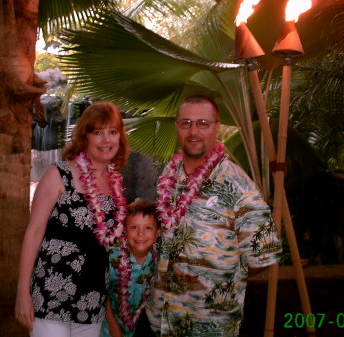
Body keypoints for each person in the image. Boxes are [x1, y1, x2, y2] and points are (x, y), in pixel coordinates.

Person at [145, 94, 282, 336]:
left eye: (202, 124)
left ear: (217, 127)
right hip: (161, 317)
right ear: (177, 127)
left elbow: (262, 256)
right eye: (185, 123)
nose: (193, 131)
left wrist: (219, 278)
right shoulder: (169, 174)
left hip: (209, 324)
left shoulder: (237, 183)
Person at [15, 102, 130, 337]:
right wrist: (22, 292)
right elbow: (34, 232)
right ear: (84, 137)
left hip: (92, 299)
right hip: (51, 294)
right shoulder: (59, 174)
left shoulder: (116, 183)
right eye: (97, 133)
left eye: (112, 132)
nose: (106, 140)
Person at [101, 199, 161, 337]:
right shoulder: (112, 257)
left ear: (158, 231)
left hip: (141, 327)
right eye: (134, 227)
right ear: (125, 230)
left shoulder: (160, 259)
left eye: (148, 228)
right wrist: (112, 325)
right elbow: (102, 293)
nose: (141, 234)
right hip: (108, 327)